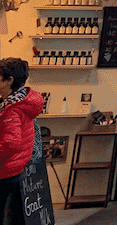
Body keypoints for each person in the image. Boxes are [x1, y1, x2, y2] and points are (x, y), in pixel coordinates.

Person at [0, 57, 45, 225]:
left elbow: (9, 143)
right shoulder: (17, 102)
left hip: (6, 169)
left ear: (8, 80)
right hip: (16, 168)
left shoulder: (12, 109)